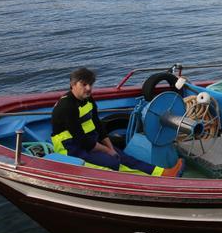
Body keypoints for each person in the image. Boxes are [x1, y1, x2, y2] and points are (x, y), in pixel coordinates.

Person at [51, 68, 183, 177]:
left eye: (90, 84)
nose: (88, 88)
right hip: (70, 148)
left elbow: (99, 126)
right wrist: (108, 151)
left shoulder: (88, 99)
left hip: (88, 142)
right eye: (84, 85)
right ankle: (148, 181)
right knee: (112, 162)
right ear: (73, 85)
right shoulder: (67, 106)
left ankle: (162, 173)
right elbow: (81, 140)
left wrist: (110, 147)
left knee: (124, 156)